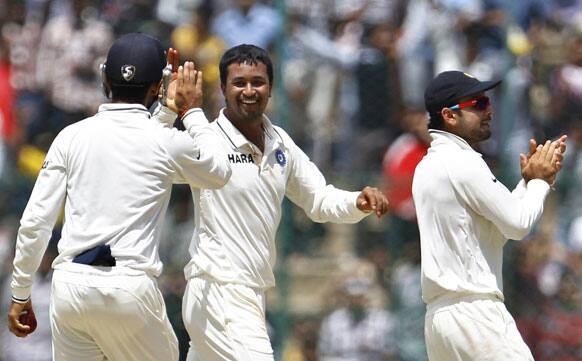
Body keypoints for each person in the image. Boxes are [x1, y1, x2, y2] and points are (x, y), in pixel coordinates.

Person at [7, 33, 231, 361]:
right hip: (129, 289)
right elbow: (218, 171)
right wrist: (192, 111)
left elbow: (35, 222)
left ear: (104, 79)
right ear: (157, 86)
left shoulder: (70, 136)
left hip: (71, 286)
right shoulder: (164, 141)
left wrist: (20, 292)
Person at [166, 44, 389, 361]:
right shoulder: (207, 140)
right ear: (223, 89)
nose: (249, 90)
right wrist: (170, 111)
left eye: (257, 82)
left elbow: (319, 200)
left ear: (271, 88)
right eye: (239, 82)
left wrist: (357, 202)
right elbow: (149, 158)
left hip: (251, 293)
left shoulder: (280, 142)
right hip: (219, 289)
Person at [412, 70, 567, 361]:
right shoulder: (464, 161)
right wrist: (540, 182)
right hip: (476, 314)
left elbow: (498, 229)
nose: (489, 110)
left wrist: (527, 182)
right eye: (478, 104)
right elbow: (519, 225)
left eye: (487, 101)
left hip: (440, 321)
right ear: (450, 115)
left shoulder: (428, 166)